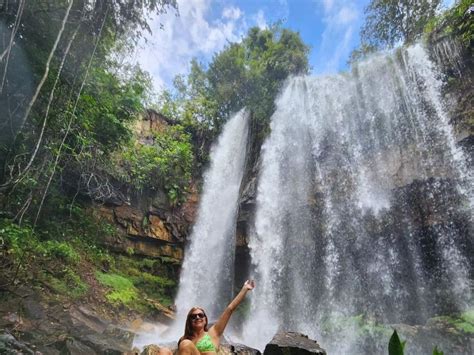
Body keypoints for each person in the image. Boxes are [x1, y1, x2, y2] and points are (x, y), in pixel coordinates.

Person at [177, 280, 255, 355]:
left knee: (186, 344)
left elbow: (230, 309)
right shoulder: (183, 339)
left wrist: (245, 289)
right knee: (165, 350)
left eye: (201, 315)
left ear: (205, 320)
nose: (198, 317)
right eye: (193, 316)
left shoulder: (213, 333)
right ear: (189, 321)